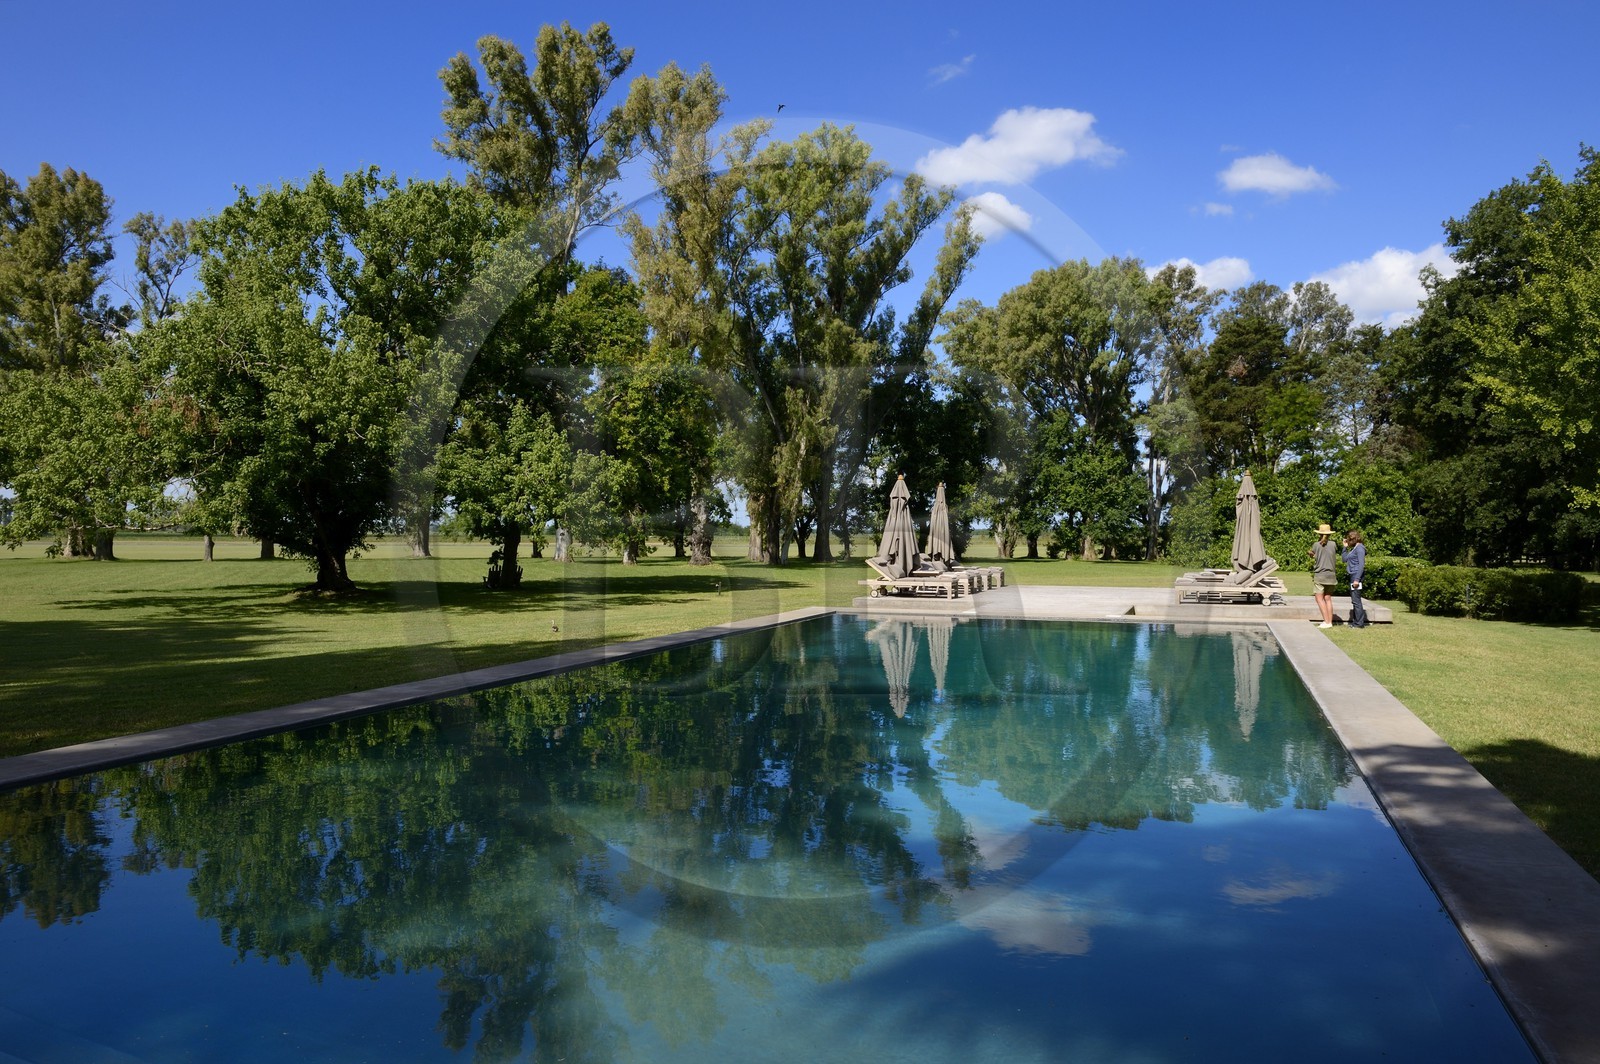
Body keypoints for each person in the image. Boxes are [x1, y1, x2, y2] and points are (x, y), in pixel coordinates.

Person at [1307, 523, 1338, 629]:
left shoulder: (1316, 545)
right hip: (1331, 574)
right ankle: (1330, 621)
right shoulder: (1333, 544)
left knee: (1319, 599)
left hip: (1320, 574)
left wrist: (1311, 554)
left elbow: (1317, 555)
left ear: (1319, 533)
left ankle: (1326, 621)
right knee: (1328, 598)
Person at [1343, 530, 1369, 628]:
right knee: (1354, 600)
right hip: (1352, 575)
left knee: (1356, 600)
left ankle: (1359, 623)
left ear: (1353, 539)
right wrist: (1344, 548)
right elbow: (1344, 559)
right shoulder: (1354, 549)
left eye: (1348, 540)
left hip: (1356, 576)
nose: (1348, 542)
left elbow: (1361, 565)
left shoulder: (1360, 548)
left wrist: (1357, 579)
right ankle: (1356, 622)